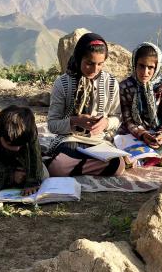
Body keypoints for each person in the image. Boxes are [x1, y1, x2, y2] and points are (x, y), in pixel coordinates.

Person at [47, 32, 125, 176]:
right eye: (89, 63)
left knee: (119, 165)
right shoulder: (63, 83)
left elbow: (117, 117)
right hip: (70, 139)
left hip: (98, 141)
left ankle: (74, 167)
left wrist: (106, 123)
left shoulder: (111, 83)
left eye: (100, 64)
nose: (95, 69)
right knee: (57, 167)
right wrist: (75, 121)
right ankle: (79, 166)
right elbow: (52, 124)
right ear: (78, 58)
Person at [118, 42, 162, 168]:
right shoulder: (125, 86)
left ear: (156, 68)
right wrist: (143, 134)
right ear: (134, 64)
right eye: (141, 66)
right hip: (134, 133)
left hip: (160, 132)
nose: (145, 72)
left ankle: (159, 158)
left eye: (150, 67)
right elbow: (128, 120)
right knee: (126, 159)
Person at [0, 105, 45, 196]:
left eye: (20, 145)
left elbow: (34, 157)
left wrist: (32, 182)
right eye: (10, 144)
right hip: (0, 169)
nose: (17, 148)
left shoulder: (29, 131)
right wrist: (11, 176)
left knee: (44, 177)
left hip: (21, 164)